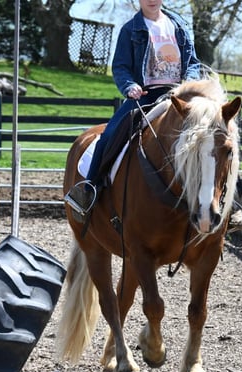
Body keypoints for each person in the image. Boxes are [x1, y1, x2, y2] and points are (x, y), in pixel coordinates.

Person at [64, 0, 202, 217]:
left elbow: (193, 62)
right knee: (109, 135)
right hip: (145, 96)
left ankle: (231, 203)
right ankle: (89, 188)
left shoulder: (179, 26)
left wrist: (190, 82)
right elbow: (120, 66)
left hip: (179, 97)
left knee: (214, 133)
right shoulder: (130, 30)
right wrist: (129, 86)